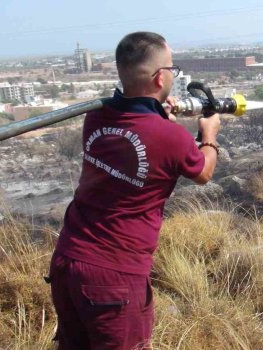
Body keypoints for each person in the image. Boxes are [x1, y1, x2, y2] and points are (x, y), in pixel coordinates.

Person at [47, 32, 220, 350]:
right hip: (112, 276)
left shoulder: (96, 117)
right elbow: (203, 172)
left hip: (68, 261)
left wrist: (158, 116)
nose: (173, 74)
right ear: (159, 78)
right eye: (172, 68)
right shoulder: (171, 137)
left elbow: (138, 138)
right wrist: (209, 134)